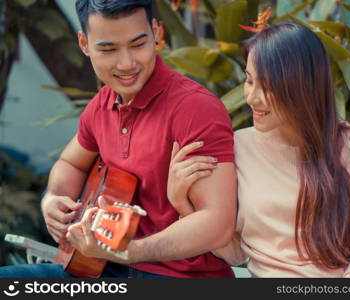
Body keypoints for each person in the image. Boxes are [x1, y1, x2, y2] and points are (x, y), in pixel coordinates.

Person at [0, 0, 237, 278]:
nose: (126, 63)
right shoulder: (102, 105)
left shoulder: (195, 109)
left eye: (138, 45)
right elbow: (71, 162)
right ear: (84, 43)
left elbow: (218, 224)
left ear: (157, 33)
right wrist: (53, 199)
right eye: (108, 49)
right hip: (99, 268)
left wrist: (130, 251)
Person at [167, 22, 350, 277]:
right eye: (249, 80)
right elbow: (233, 251)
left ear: (301, 86)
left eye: (266, 86)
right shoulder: (240, 147)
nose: (251, 97)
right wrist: (183, 202)